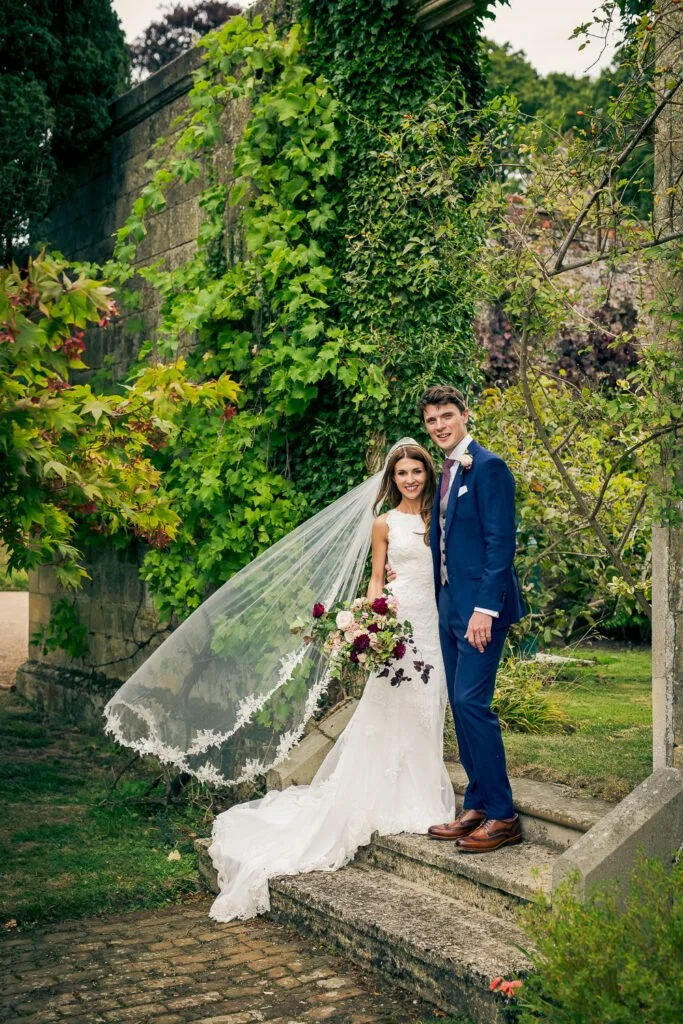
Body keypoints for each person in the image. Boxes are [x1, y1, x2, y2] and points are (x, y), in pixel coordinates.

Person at [206, 441, 455, 921]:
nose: (409, 479)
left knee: (427, 707)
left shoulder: (441, 517)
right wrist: (373, 622)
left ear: (427, 473)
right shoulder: (383, 523)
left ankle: (421, 788)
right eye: (401, 473)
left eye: (416, 471)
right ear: (392, 477)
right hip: (400, 625)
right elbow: (377, 579)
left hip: (433, 626)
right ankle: (386, 795)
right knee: (390, 708)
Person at [419, 384, 527, 853]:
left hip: (483, 611)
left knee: (470, 704)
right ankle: (478, 803)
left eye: (447, 416)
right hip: (450, 609)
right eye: (431, 420)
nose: (440, 425)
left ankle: (503, 815)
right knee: (459, 708)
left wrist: (485, 609)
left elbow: (500, 543)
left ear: (466, 415)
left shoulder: (488, 467)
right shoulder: (444, 471)